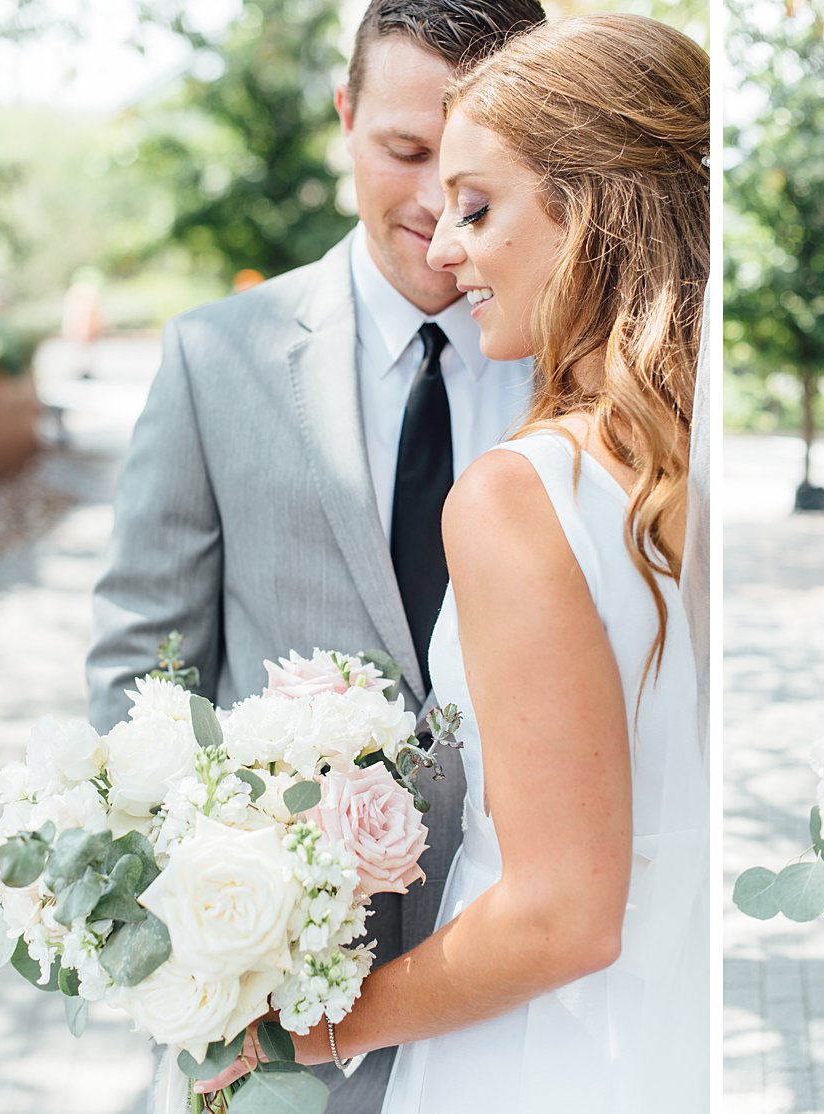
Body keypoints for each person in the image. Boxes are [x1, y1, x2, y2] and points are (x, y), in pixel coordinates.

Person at [198, 13, 710, 1112]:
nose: (442, 245)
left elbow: (561, 914)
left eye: (479, 207)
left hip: (543, 1051)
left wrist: (318, 1032)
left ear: (591, 210)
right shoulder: (710, 463)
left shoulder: (520, 493)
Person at [86, 1, 545, 1108]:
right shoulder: (215, 359)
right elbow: (141, 675)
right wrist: (193, 925)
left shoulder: (588, 381)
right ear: (345, 116)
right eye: (406, 151)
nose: (441, 206)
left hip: (525, 986)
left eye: (483, 164)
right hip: (269, 993)